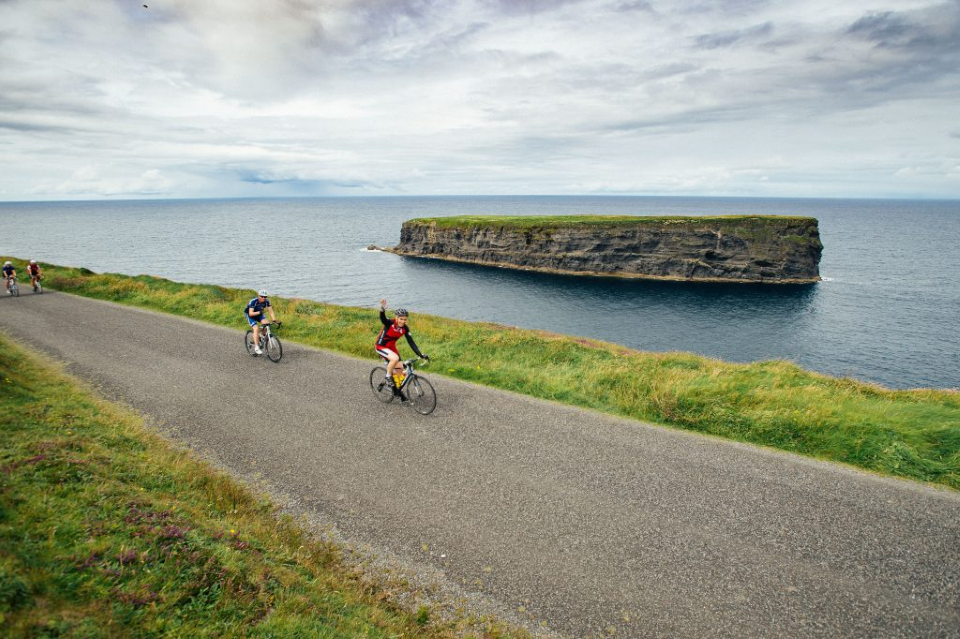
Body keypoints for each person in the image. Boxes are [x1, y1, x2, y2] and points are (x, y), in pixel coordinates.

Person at [375, 299, 428, 398]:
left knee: (400, 371)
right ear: (396, 318)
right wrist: (382, 309)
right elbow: (383, 319)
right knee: (395, 359)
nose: (403, 321)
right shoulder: (390, 323)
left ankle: (396, 391)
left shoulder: (405, 328)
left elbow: (411, 342)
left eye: (405, 319)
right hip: (381, 346)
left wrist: (420, 354)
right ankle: (388, 376)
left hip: (391, 348)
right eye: (401, 319)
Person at [244, 289, 278, 355]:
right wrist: (259, 312)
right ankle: (257, 347)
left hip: (259, 314)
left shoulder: (267, 301)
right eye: (262, 296)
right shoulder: (253, 301)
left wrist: (274, 320)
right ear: (258, 296)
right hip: (250, 315)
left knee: (267, 324)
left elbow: (271, 311)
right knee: (256, 328)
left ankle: (262, 336)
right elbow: (251, 313)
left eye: (265, 297)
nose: (263, 298)